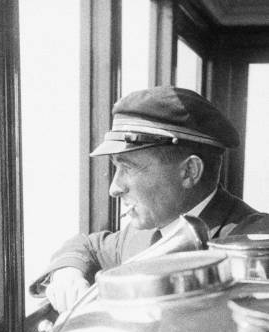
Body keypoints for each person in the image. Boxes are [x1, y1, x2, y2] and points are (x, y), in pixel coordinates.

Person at [30, 86, 269, 313]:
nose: (114, 188)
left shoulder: (253, 246)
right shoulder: (141, 234)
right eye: (116, 168)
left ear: (189, 172)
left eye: (128, 168)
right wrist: (67, 272)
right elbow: (88, 246)